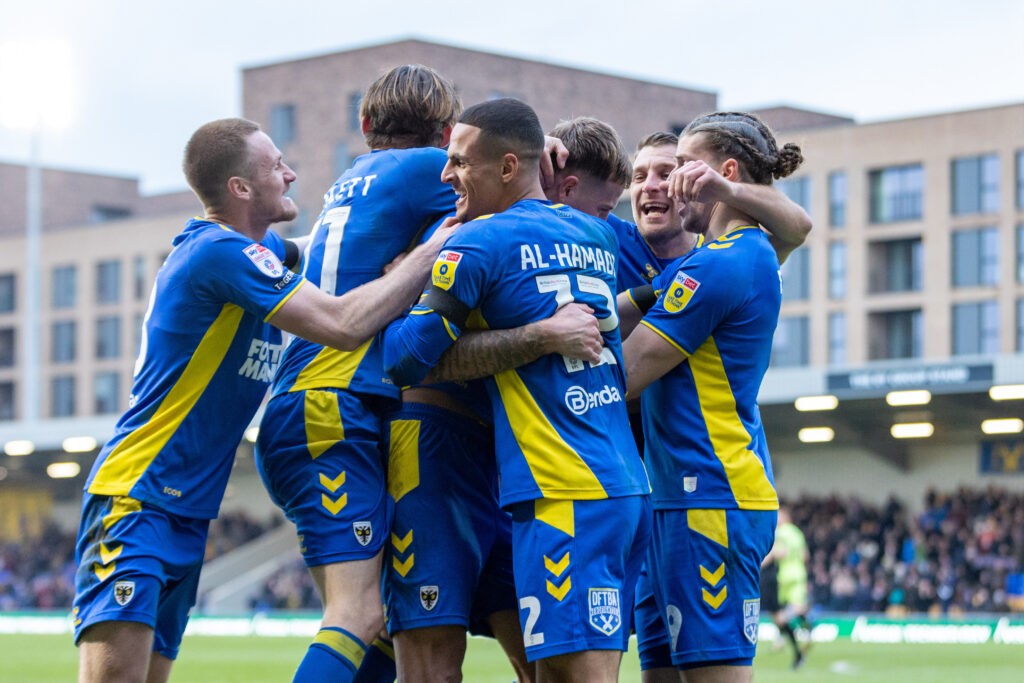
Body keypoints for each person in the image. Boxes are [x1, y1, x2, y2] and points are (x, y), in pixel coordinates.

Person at [71, 117, 457, 683]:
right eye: (276, 166)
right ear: (240, 189)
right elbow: (343, 323)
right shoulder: (222, 254)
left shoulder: (255, 251)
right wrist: (432, 253)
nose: (291, 173)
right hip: (137, 496)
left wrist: (390, 242)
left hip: (184, 508)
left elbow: (319, 248)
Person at [382, 98, 651, 682]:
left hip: (562, 486)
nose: (446, 174)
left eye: (459, 162)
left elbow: (403, 359)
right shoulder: (594, 234)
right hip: (619, 482)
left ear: (507, 167)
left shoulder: (476, 244)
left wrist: (401, 278)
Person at [622, 111, 805, 682]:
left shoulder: (724, 263)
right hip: (677, 499)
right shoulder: (742, 255)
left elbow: (625, 374)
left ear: (722, 173)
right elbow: (797, 226)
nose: (670, 185)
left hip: (711, 497)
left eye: (679, 168)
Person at [763, 504, 813, 669]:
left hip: (785, 577)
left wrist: (759, 564)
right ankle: (804, 629)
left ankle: (799, 631)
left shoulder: (781, 533)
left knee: (786, 614)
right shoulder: (797, 533)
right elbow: (805, 555)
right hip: (798, 574)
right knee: (791, 610)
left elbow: (779, 552)